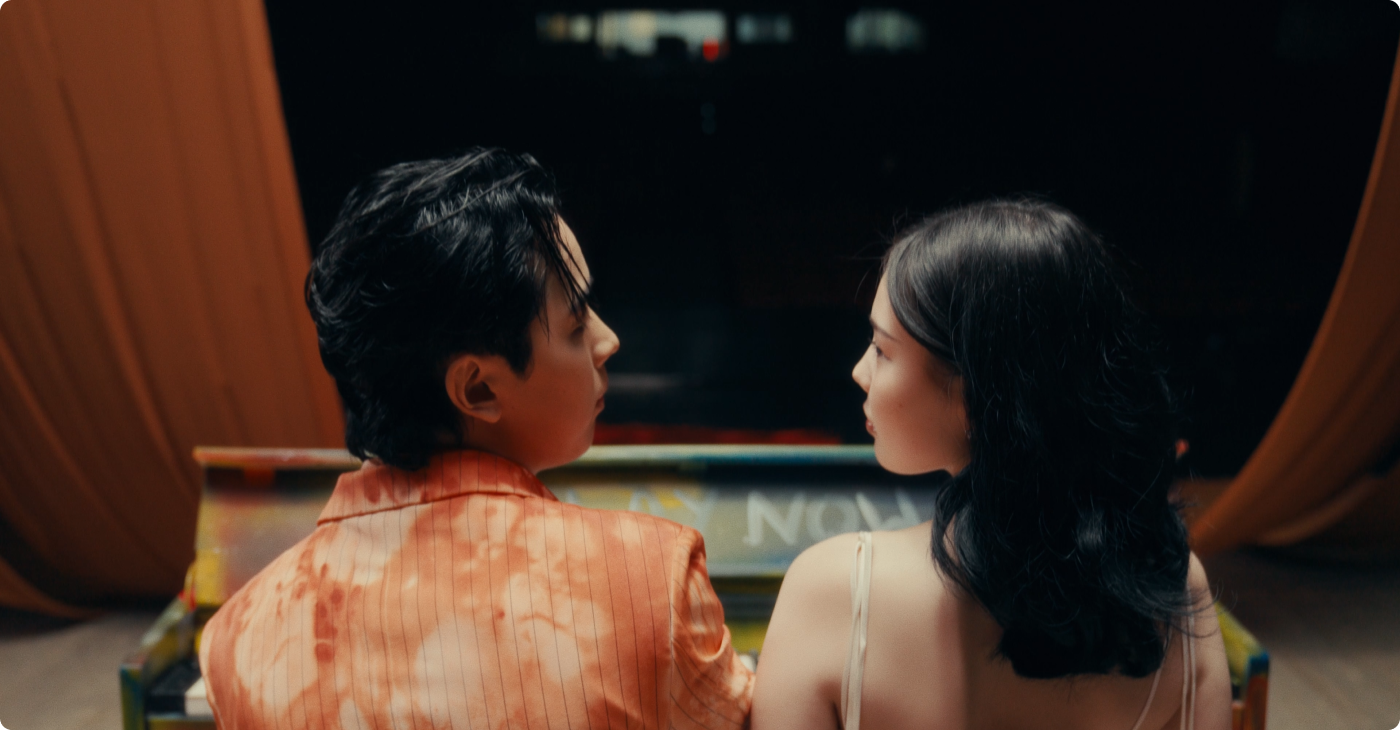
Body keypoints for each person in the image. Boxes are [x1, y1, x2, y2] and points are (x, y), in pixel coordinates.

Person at [198, 148, 753, 730]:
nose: (607, 340)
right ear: (477, 389)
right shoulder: (650, 579)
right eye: (575, 324)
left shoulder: (235, 640)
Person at [751, 199, 1231, 730]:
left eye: (883, 351)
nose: (860, 371)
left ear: (976, 398)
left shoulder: (834, 591)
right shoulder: (1172, 591)